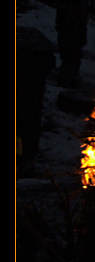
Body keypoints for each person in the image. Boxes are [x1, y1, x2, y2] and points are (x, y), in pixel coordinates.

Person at [16, 26, 56, 175]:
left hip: (26, 97)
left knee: (23, 128)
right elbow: (50, 65)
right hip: (33, 97)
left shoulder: (24, 52)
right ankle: (26, 159)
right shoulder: (39, 47)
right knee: (29, 128)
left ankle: (23, 159)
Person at [55, 0, 88, 87]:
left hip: (76, 37)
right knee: (67, 60)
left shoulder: (81, 5)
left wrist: (82, 37)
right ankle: (64, 80)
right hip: (66, 36)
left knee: (75, 60)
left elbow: (83, 22)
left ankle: (72, 80)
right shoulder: (64, 4)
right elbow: (59, 21)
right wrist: (62, 32)